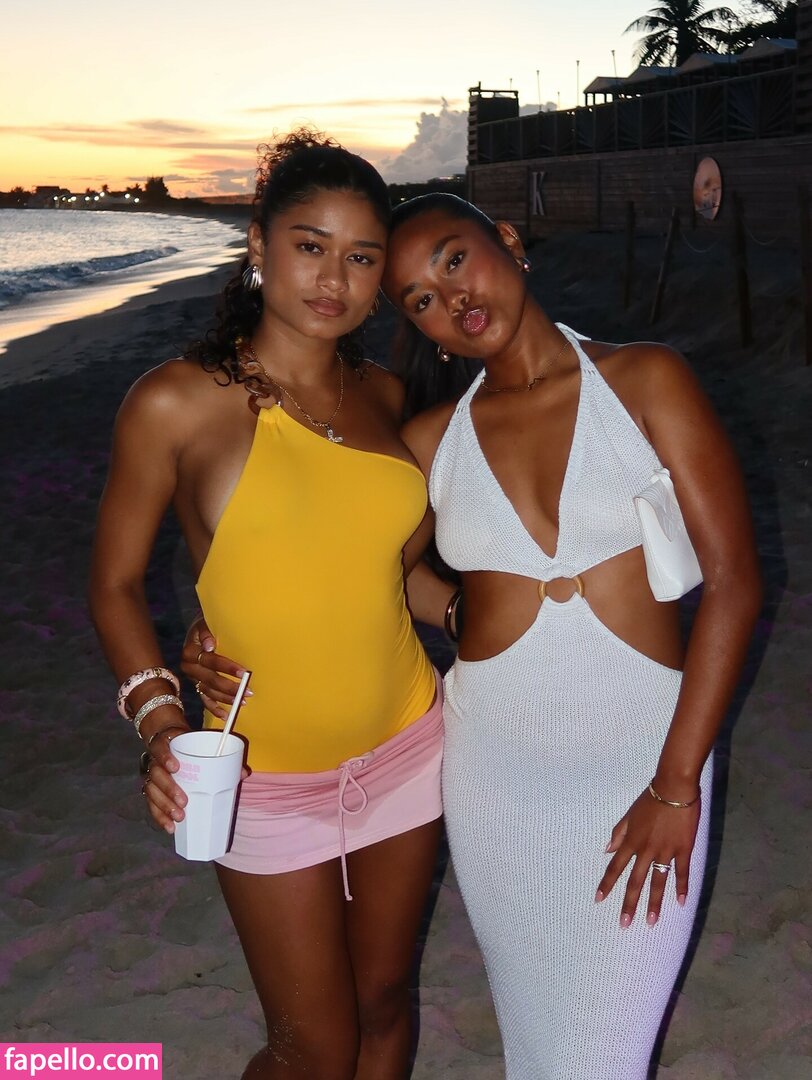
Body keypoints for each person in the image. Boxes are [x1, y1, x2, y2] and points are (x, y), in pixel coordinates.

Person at [88, 132, 454, 1080]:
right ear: (258, 244)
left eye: (362, 257)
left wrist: (469, 616)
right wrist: (161, 721)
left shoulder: (388, 395)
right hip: (260, 778)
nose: (334, 278)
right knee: (311, 1049)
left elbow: (389, 573)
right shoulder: (175, 403)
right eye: (310, 245)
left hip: (409, 746)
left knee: (384, 1006)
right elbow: (115, 582)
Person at [379, 194, 762, 1078]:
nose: (451, 297)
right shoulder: (432, 440)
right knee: (535, 1045)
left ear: (508, 242)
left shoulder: (645, 381)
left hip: (644, 759)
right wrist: (453, 611)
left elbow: (736, 584)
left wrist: (676, 785)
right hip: (496, 771)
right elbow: (377, 575)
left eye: (454, 259)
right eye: (420, 299)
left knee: (603, 1056)